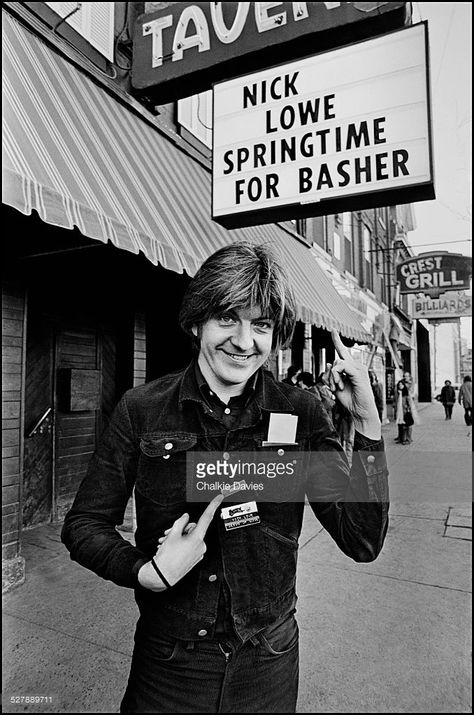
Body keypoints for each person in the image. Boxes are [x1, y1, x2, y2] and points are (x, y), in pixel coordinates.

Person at [61, 242, 389, 714]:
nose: (243, 340)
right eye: (227, 318)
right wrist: (145, 573)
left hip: (267, 663)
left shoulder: (300, 412)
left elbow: (363, 541)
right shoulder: (143, 409)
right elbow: (85, 523)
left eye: (261, 325)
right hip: (169, 664)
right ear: (197, 323)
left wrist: (369, 425)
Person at [395, 371, 419, 445]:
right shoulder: (400, 388)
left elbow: (411, 397)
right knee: (401, 424)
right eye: (404, 376)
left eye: (407, 376)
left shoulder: (411, 385)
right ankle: (401, 437)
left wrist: (409, 408)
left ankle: (408, 439)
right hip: (400, 410)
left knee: (408, 424)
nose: (405, 377)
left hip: (407, 409)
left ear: (409, 377)